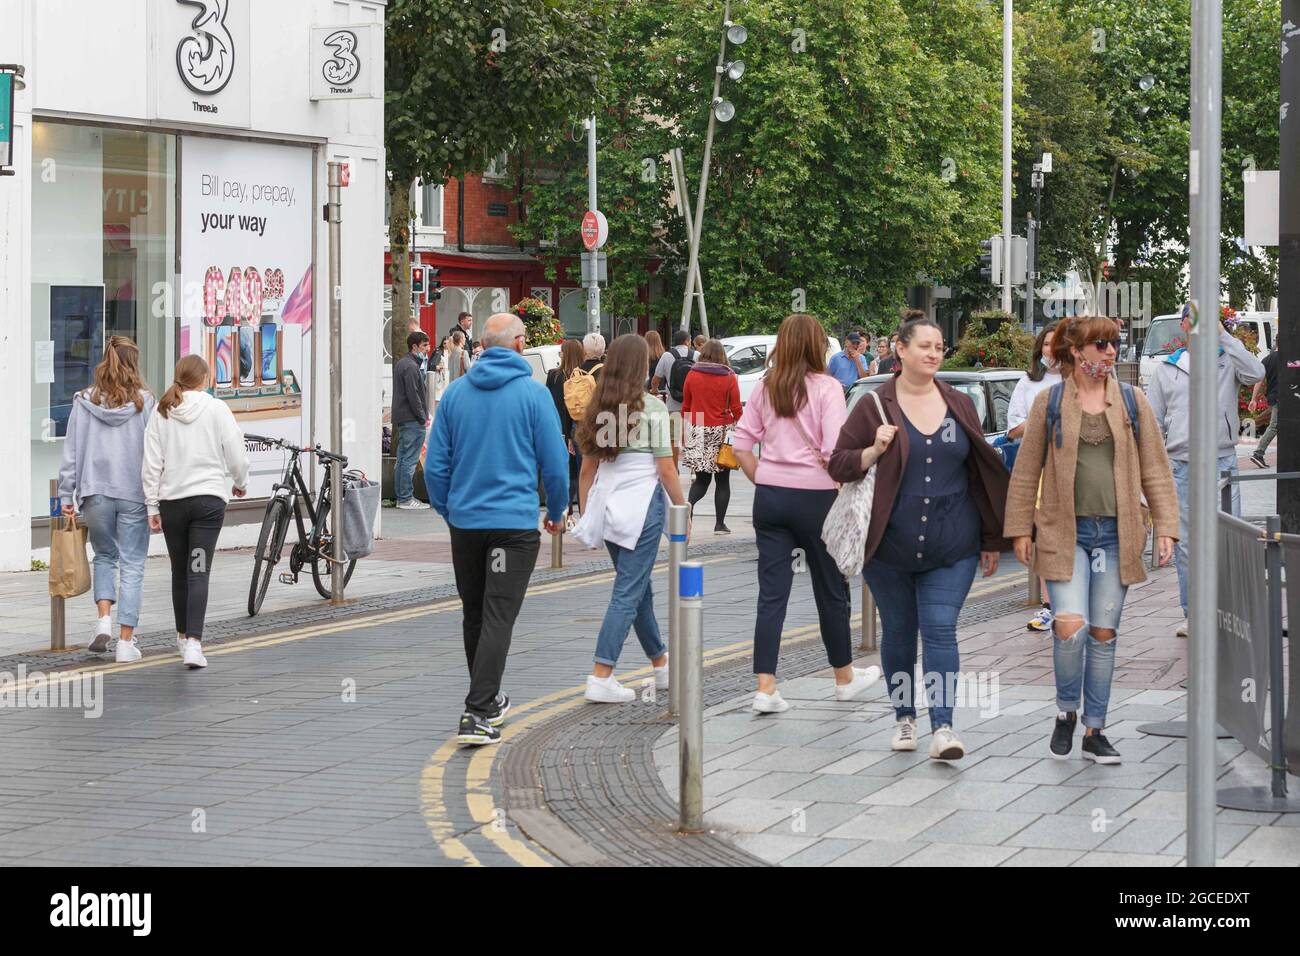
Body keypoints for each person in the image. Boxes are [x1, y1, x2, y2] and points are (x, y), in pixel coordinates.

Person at [829, 317, 1009, 761]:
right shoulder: (873, 406)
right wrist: (872, 450)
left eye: (940, 347)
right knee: (899, 633)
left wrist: (991, 538)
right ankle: (904, 717)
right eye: (925, 346)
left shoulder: (960, 403)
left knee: (941, 629)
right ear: (901, 350)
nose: (934, 353)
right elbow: (838, 464)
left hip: (953, 544)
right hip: (889, 546)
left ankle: (944, 727)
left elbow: (977, 474)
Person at [1005, 316, 1179, 764]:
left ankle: (1094, 729)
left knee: (1103, 635)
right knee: (1069, 627)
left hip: (1116, 535)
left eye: (1114, 344)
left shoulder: (1131, 400)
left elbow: (1156, 468)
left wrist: (1167, 526)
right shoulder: (1051, 401)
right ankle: (1066, 711)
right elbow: (1026, 471)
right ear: (1077, 351)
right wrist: (1020, 528)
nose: (1110, 352)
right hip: (1066, 533)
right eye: (1100, 344)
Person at [425, 313, 569, 745]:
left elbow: (435, 465)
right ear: (519, 343)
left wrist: (449, 509)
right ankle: (476, 711)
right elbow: (555, 464)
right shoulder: (533, 394)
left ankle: (486, 701)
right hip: (512, 525)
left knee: (475, 612)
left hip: (466, 523)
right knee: (498, 616)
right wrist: (558, 509)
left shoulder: (455, 395)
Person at [733, 314, 882, 713]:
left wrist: (763, 477)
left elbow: (741, 444)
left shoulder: (766, 387)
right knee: (830, 589)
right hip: (815, 500)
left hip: (771, 499)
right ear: (817, 346)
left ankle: (765, 688)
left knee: (772, 594)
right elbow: (834, 450)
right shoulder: (828, 388)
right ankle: (844, 677)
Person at [573, 334, 688, 702]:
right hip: (642, 507)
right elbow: (666, 468)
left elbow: (586, 472)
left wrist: (587, 512)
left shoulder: (598, 407)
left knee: (639, 590)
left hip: (608, 506)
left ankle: (661, 663)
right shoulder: (652, 408)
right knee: (628, 591)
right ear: (641, 367)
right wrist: (681, 510)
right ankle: (601, 674)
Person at [1147, 304, 1264, 637]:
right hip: (1182, 464)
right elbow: (1153, 422)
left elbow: (1256, 372)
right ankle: (1194, 613)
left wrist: (1224, 335)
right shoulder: (1167, 369)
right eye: (1194, 319)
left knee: (1229, 540)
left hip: (1221, 462)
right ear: (1184, 325)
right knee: (1186, 544)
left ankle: (1227, 611)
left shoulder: (1227, 360)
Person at [141, 355, 249, 670]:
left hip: (172, 503)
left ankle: (181, 635)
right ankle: (194, 644)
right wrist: (240, 481)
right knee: (198, 569)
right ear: (203, 378)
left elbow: (151, 462)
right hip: (207, 503)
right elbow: (236, 452)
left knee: (179, 570)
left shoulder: (162, 411)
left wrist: (151, 503)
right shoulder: (217, 409)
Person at [58, 336, 156, 662]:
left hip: (94, 491)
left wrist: (65, 493)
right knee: (132, 565)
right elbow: (154, 454)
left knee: (104, 556)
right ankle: (126, 643)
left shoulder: (83, 400)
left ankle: (103, 620)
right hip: (134, 494)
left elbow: (71, 450)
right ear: (133, 363)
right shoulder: (145, 402)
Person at [1006, 321, 1062, 633]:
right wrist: (1044, 418)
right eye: (1045, 344)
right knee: (1044, 537)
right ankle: (1048, 606)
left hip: (1070, 469)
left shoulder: (1076, 381)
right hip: (1039, 468)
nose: (1050, 350)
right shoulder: (1027, 382)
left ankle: (1072, 602)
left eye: (1057, 344)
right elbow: (1013, 430)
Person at [680, 339, 742, 534]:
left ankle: (688, 508)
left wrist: (689, 429)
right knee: (723, 481)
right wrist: (743, 426)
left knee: (701, 480)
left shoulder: (692, 374)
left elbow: (686, 407)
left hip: (698, 430)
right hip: (721, 431)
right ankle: (719, 525)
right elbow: (736, 407)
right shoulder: (729, 377)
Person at [392, 331, 431, 511]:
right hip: (412, 418)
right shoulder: (411, 366)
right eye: (424, 346)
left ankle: (402, 496)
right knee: (409, 460)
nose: (427, 349)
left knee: (402, 459)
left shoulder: (404, 363)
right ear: (414, 346)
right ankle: (406, 498)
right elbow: (413, 394)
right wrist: (422, 416)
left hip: (404, 417)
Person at [545, 338, 586, 510]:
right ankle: (580, 508)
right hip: (578, 427)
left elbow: (549, 403)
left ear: (564, 354)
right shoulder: (583, 377)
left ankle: (565, 509)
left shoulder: (554, 375)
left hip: (557, 427)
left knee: (563, 470)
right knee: (578, 471)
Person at [651, 329, 698, 468]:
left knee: (673, 438)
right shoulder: (697, 355)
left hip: (673, 403)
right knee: (693, 437)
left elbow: (656, 379)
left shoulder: (666, 356)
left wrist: (654, 389)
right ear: (687, 341)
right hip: (693, 404)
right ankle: (694, 470)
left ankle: (674, 467)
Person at [1251, 331, 1280, 468]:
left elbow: (1259, 380)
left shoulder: (1267, 359)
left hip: (1274, 397)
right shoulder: (1290, 358)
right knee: (1275, 425)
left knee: (1278, 425)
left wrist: (1253, 399)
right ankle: (1258, 453)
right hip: (1284, 398)